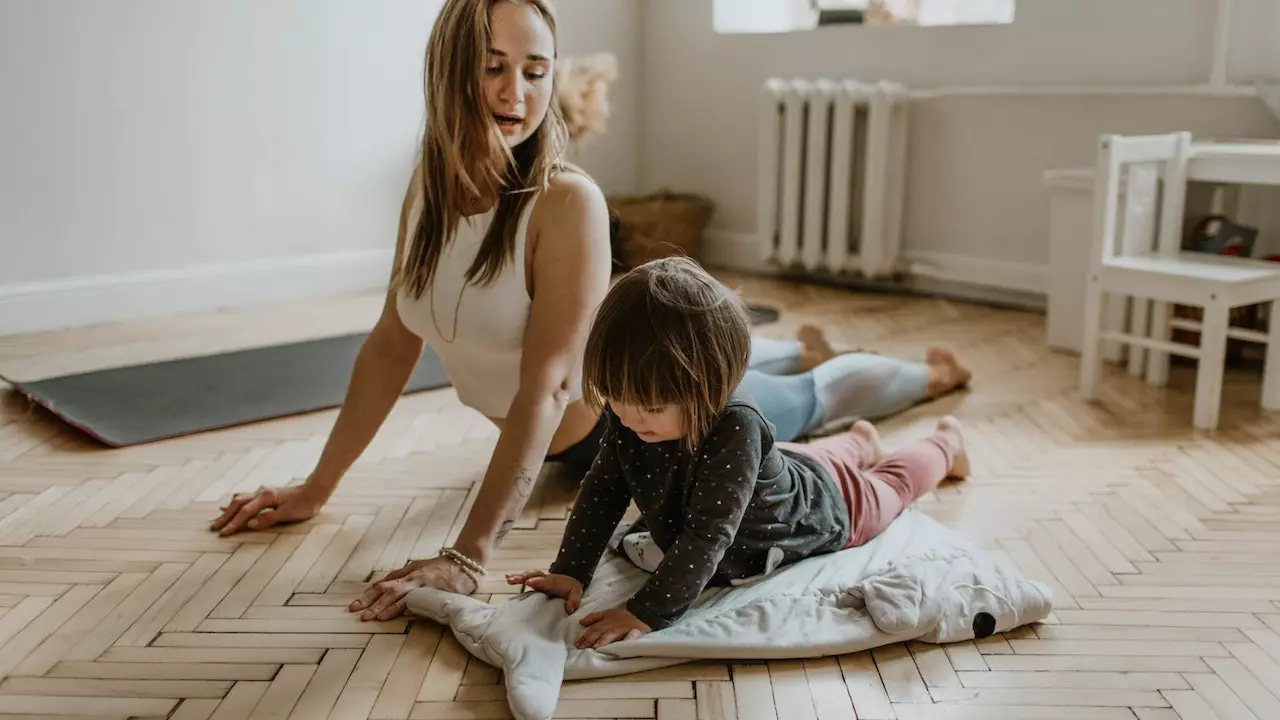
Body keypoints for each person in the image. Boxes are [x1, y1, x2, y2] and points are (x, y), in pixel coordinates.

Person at [206, 0, 971, 621]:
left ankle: (927, 378)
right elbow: (389, 345)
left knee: (807, 400)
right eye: (494, 68)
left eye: (536, 72)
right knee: (781, 383)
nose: (517, 93)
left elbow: (546, 388)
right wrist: (317, 488)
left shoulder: (565, 201)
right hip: (618, 400)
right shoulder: (427, 191)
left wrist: (471, 554)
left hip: (634, 423)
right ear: (448, 71)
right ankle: (795, 355)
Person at [505, 257, 970, 648]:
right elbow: (603, 490)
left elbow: (708, 536)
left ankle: (946, 443)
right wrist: (571, 570)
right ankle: (861, 439)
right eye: (615, 399)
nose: (628, 417)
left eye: (649, 406)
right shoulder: (632, 418)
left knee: (892, 484)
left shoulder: (737, 427)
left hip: (827, 506)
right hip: (785, 466)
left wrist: (645, 611)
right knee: (811, 458)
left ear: (711, 387)